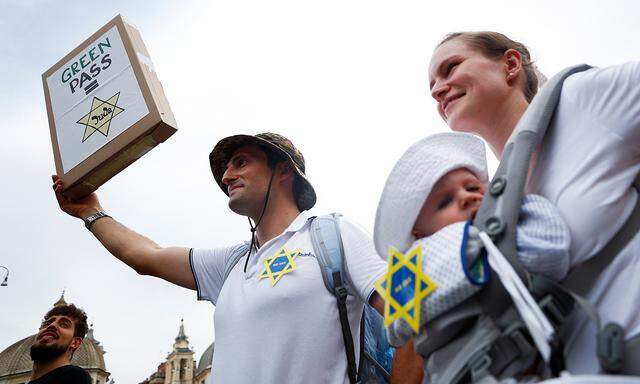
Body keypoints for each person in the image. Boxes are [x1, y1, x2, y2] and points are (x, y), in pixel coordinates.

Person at [52, 132, 389, 384]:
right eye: (226, 168)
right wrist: (90, 211)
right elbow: (144, 256)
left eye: (241, 162)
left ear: (284, 170)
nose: (227, 176)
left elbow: (420, 305)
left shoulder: (337, 233)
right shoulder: (232, 263)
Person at [427, 31, 640, 373]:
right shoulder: (488, 206)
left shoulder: (580, 100)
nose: (438, 89)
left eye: (450, 67)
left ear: (510, 65)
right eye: (432, 85)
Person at [373, 132, 571, 381]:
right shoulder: (421, 261)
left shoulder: (498, 240)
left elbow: (552, 252)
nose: (467, 197)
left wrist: (509, 207)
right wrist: (513, 211)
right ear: (419, 233)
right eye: (445, 203)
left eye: (473, 187)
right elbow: (396, 329)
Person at [28, 304, 92, 384]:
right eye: (47, 323)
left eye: (64, 324)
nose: (52, 325)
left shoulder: (74, 376)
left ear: (75, 342)